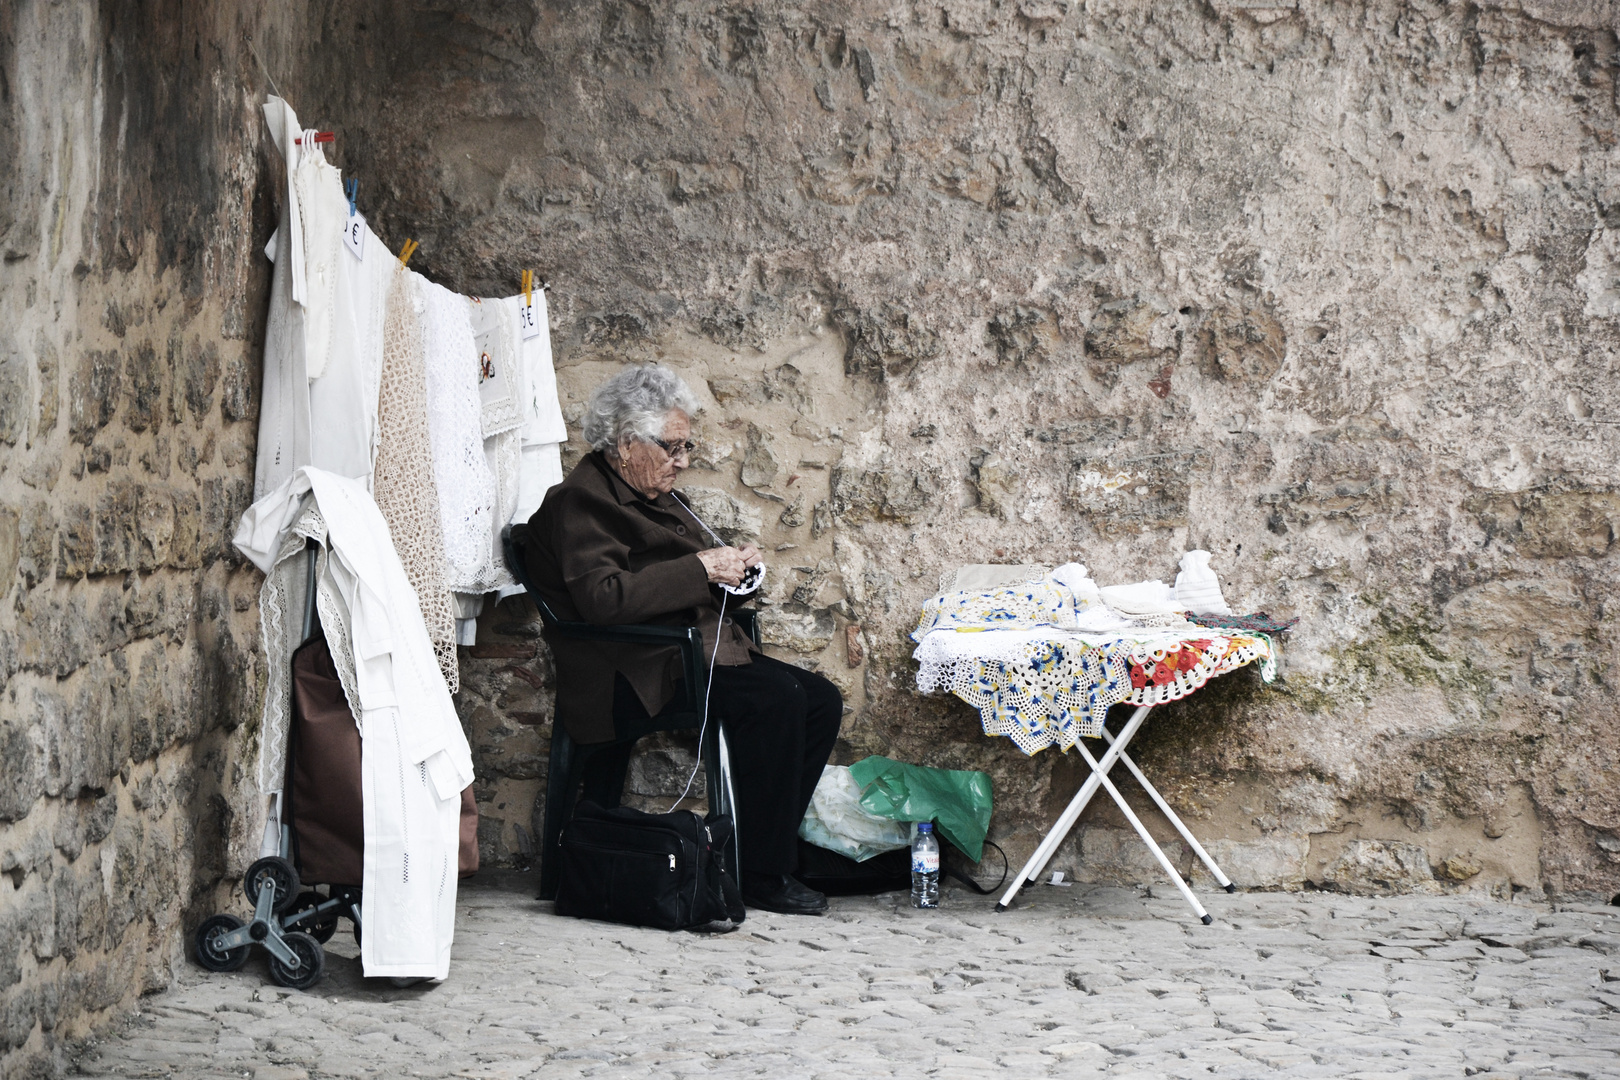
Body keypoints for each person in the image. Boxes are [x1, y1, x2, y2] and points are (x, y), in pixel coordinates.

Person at [525, 364, 842, 916]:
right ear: (627, 443)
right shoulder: (580, 501)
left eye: (686, 446)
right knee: (780, 700)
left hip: (680, 653)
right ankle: (765, 874)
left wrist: (736, 576)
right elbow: (604, 599)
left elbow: (687, 584)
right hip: (634, 669)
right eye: (672, 447)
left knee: (820, 700)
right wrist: (702, 567)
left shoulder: (656, 496)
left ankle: (763, 854)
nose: (684, 460)